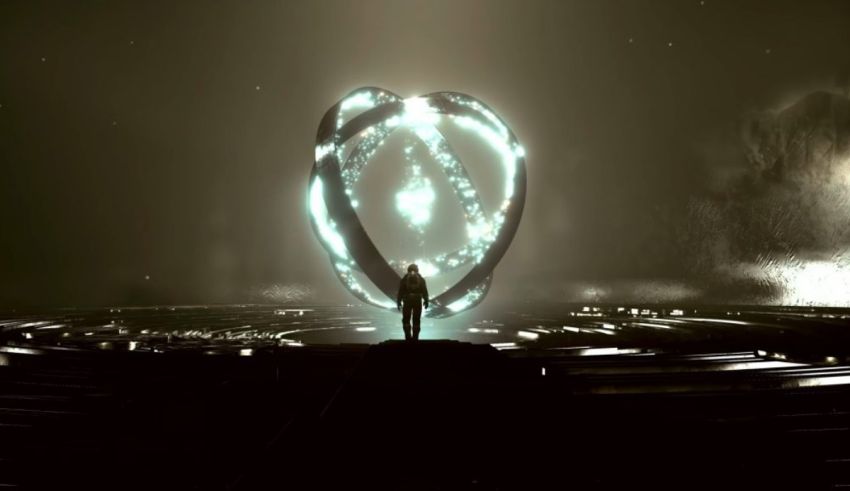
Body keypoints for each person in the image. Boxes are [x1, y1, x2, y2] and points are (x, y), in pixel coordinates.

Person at [396, 264, 429, 341]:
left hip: (407, 300)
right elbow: (424, 291)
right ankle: (415, 338)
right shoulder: (421, 279)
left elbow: (401, 291)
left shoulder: (404, 279)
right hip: (417, 301)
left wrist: (399, 301)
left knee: (406, 319)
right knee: (416, 319)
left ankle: (408, 337)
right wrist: (426, 301)